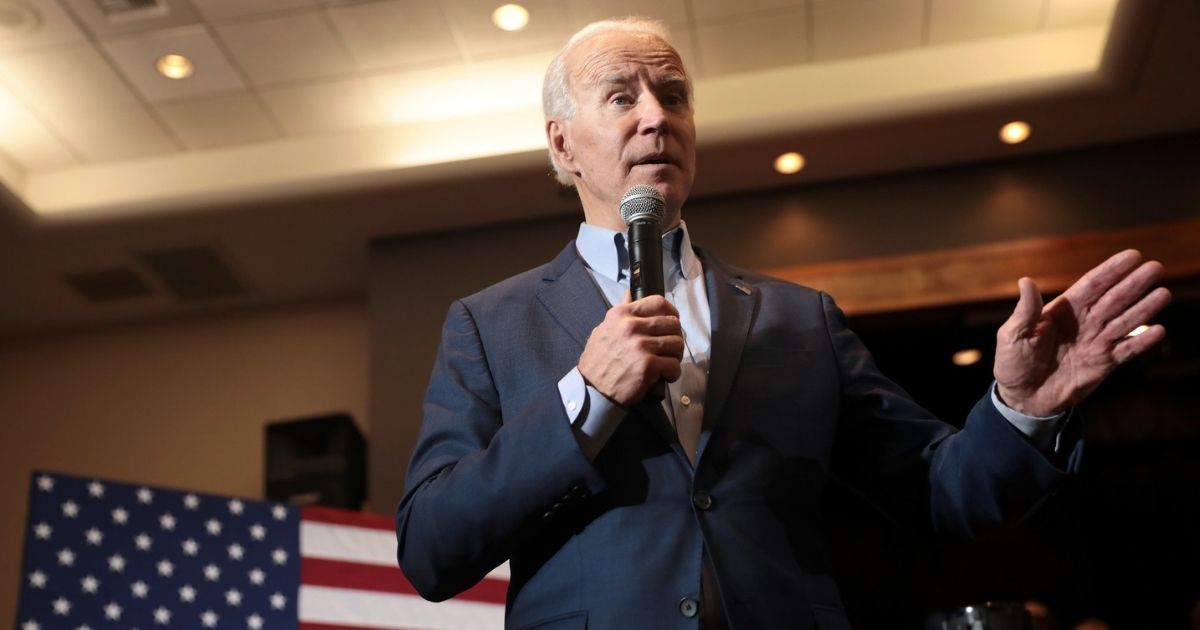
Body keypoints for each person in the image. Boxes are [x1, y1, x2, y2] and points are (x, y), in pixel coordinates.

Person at [394, 17, 1171, 630]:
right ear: (563, 145)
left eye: (675, 95)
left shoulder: (801, 319)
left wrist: (1022, 412)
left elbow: (941, 491)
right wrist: (586, 398)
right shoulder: (490, 325)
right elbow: (432, 549)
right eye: (623, 97)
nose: (658, 118)